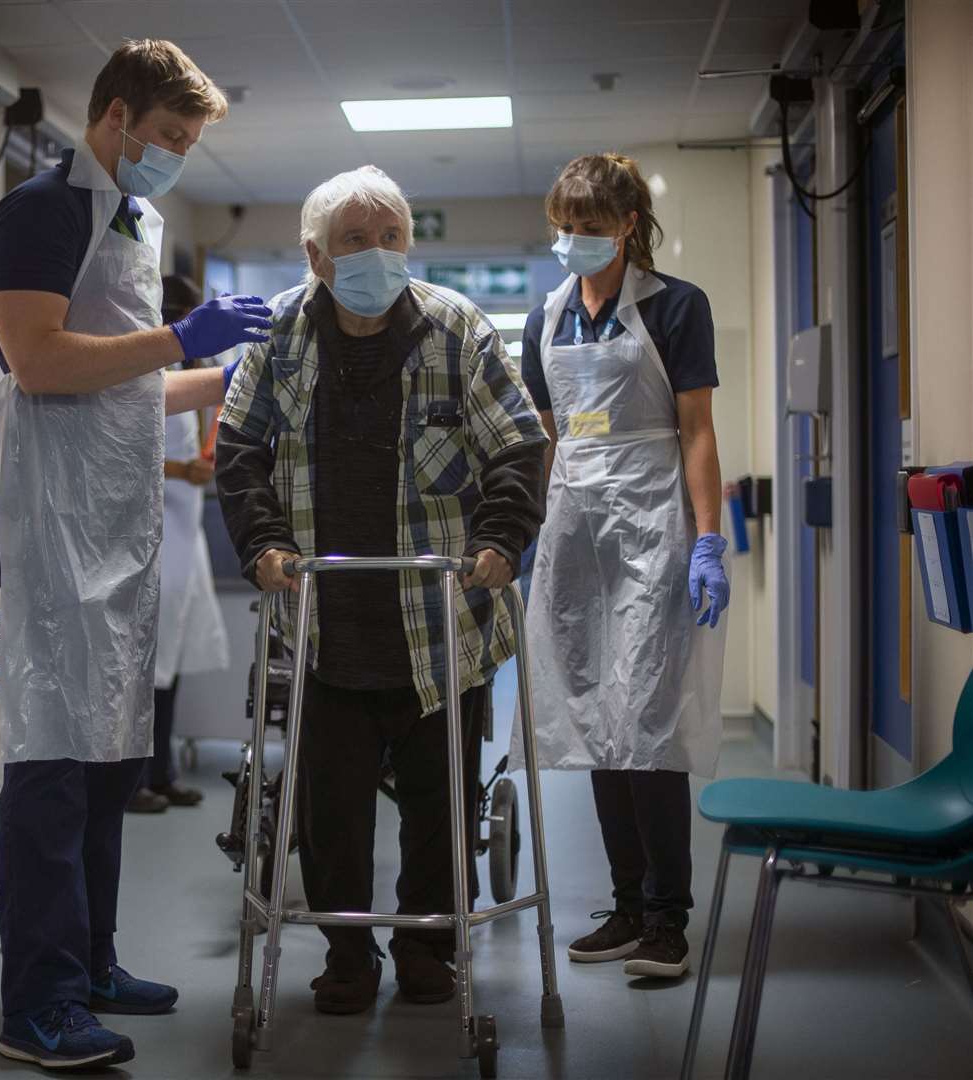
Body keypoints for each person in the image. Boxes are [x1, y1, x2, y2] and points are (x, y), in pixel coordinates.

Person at [0, 40, 270, 1071]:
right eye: (166, 141)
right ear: (112, 118)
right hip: (51, 512)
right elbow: (42, 360)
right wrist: (183, 341)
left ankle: (92, 964)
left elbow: (137, 383)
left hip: (113, 513)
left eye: (187, 146)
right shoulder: (41, 213)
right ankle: (37, 1005)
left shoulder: (135, 223)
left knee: (108, 754)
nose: (174, 160)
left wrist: (237, 375)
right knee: (54, 755)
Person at [216, 166, 547, 1014]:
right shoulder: (277, 335)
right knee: (330, 814)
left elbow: (516, 445)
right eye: (355, 241)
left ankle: (429, 951)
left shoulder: (455, 329)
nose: (376, 253)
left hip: (440, 616)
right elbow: (240, 450)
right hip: (326, 619)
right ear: (316, 256)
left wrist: (502, 540)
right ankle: (347, 953)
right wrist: (261, 544)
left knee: (439, 807)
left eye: (390, 236)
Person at [511, 152, 730, 982]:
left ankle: (669, 920)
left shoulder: (676, 307)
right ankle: (627, 905)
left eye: (590, 229)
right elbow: (546, 435)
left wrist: (707, 539)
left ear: (629, 225)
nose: (572, 243)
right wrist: (525, 531)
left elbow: (698, 431)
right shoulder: (547, 317)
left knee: (645, 721)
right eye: (563, 229)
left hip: (652, 526)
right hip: (576, 534)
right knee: (601, 725)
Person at [127, 274, 231, 815]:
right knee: (146, 669)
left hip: (182, 539)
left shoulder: (184, 374)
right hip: (152, 542)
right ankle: (136, 780)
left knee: (169, 664)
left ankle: (162, 772)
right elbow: (122, 447)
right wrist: (181, 468)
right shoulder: (139, 369)